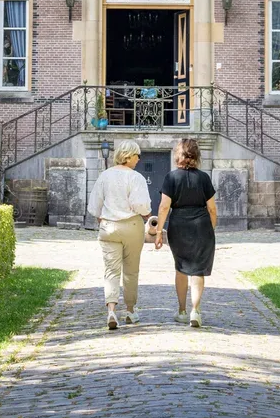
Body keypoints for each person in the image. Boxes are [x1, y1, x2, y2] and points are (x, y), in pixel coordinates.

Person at [86, 139, 151, 329]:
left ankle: (111, 311)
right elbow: (141, 205)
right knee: (131, 271)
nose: (139, 159)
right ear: (129, 156)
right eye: (137, 155)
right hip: (131, 226)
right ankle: (130, 311)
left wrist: (101, 217)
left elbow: (94, 205)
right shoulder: (136, 177)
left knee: (111, 271)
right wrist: (146, 213)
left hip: (108, 227)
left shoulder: (105, 176)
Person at [153, 137, 217, 327]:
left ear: (177, 156)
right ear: (196, 156)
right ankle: (195, 311)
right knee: (198, 270)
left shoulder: (171, 177)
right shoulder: (204, 178)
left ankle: (181, 311)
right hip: (201, 224)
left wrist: (158, 232)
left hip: (178, 225)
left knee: (181, 267)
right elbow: (212, 208)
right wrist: (210, 228)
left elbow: (164, 207)